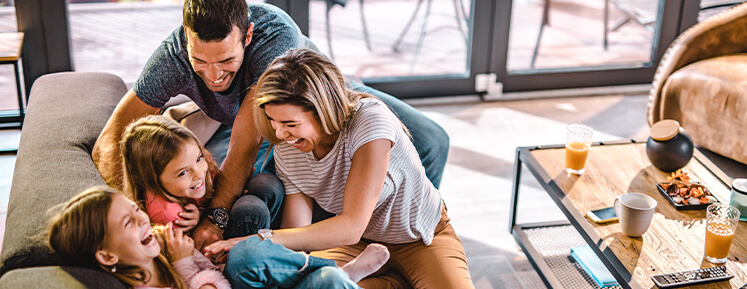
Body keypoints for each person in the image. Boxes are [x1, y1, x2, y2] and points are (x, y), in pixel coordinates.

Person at [91, 0, 449, 251]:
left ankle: (401, 238)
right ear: (185, 40)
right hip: (253, 123)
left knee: (432, 140)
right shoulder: (172, 57)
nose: (214, 76)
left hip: (318, 98)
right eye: (200, 61)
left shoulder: (274, 35)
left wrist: (214, 219)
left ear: (247, 36)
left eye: (227, 61)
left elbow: (246, 145)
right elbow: (111, 139)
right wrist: (135, 209)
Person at [204, 49, 473, 289]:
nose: (278, 132)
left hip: (419, 238)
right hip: (357, 247)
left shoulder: (370, 122)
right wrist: (261, 254)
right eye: (273, 121)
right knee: (311, 283)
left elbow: (351, 225)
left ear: (322, 109)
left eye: (290, 123)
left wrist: (257, 240)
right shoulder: (289, 145)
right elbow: (299, 231)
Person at [47, 186, 391, 289]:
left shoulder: (161, 252)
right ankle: (340, 275)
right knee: (250, 258)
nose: (142, 221)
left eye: (136, 211)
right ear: (107, 256)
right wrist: (186, 263)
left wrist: (202, 256)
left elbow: (210, 275)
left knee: (251, 257)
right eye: (128, 223)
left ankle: (340, 272)